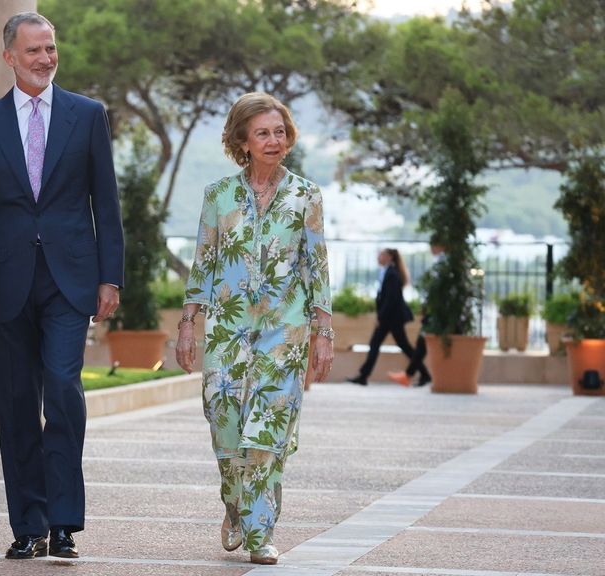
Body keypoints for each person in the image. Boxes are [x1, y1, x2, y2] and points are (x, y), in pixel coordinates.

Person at [0, 12, 124, 560]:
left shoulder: (88, 115)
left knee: (64, 390)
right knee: (17, 402)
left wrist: (109, 276)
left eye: (50, 48)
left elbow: (106, 202)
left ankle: (64, 522)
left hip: (71, 282)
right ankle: (28, 525)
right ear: (9, 57)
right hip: (6, 282)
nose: (45, 58)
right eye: (33, 51)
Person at [176, 92, 334, 566]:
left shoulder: (306, 196)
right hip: (227, 333)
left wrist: (323, 332)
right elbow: (203, 263)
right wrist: (188, 326)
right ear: (242, 140)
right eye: (263, 132)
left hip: (283, 336)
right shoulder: (218, 196)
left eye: (280, 131)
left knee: (265, 435)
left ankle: (261, 531)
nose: (273, 140)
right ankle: (234, 501)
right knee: (225, 428)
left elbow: (317, 266)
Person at [347, 248, 415, 386]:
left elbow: (390, 299)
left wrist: (380, 317)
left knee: (399, 345)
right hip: (390, 317)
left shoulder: (392, 274)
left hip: (391, 318)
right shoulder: (388, 272)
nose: (379, 257)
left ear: (390, 257)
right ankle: (363, 376)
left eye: (382, 255)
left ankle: (363, 376)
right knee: (379, 344)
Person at [388, 242, 444, 387]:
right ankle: (417, 375)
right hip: (433, 310)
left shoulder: (443, 263)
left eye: (433, 244)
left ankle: (412, 375)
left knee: (420, 343)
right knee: (420, 344)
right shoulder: (440, 262)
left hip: (436, 311)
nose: (432, 248)